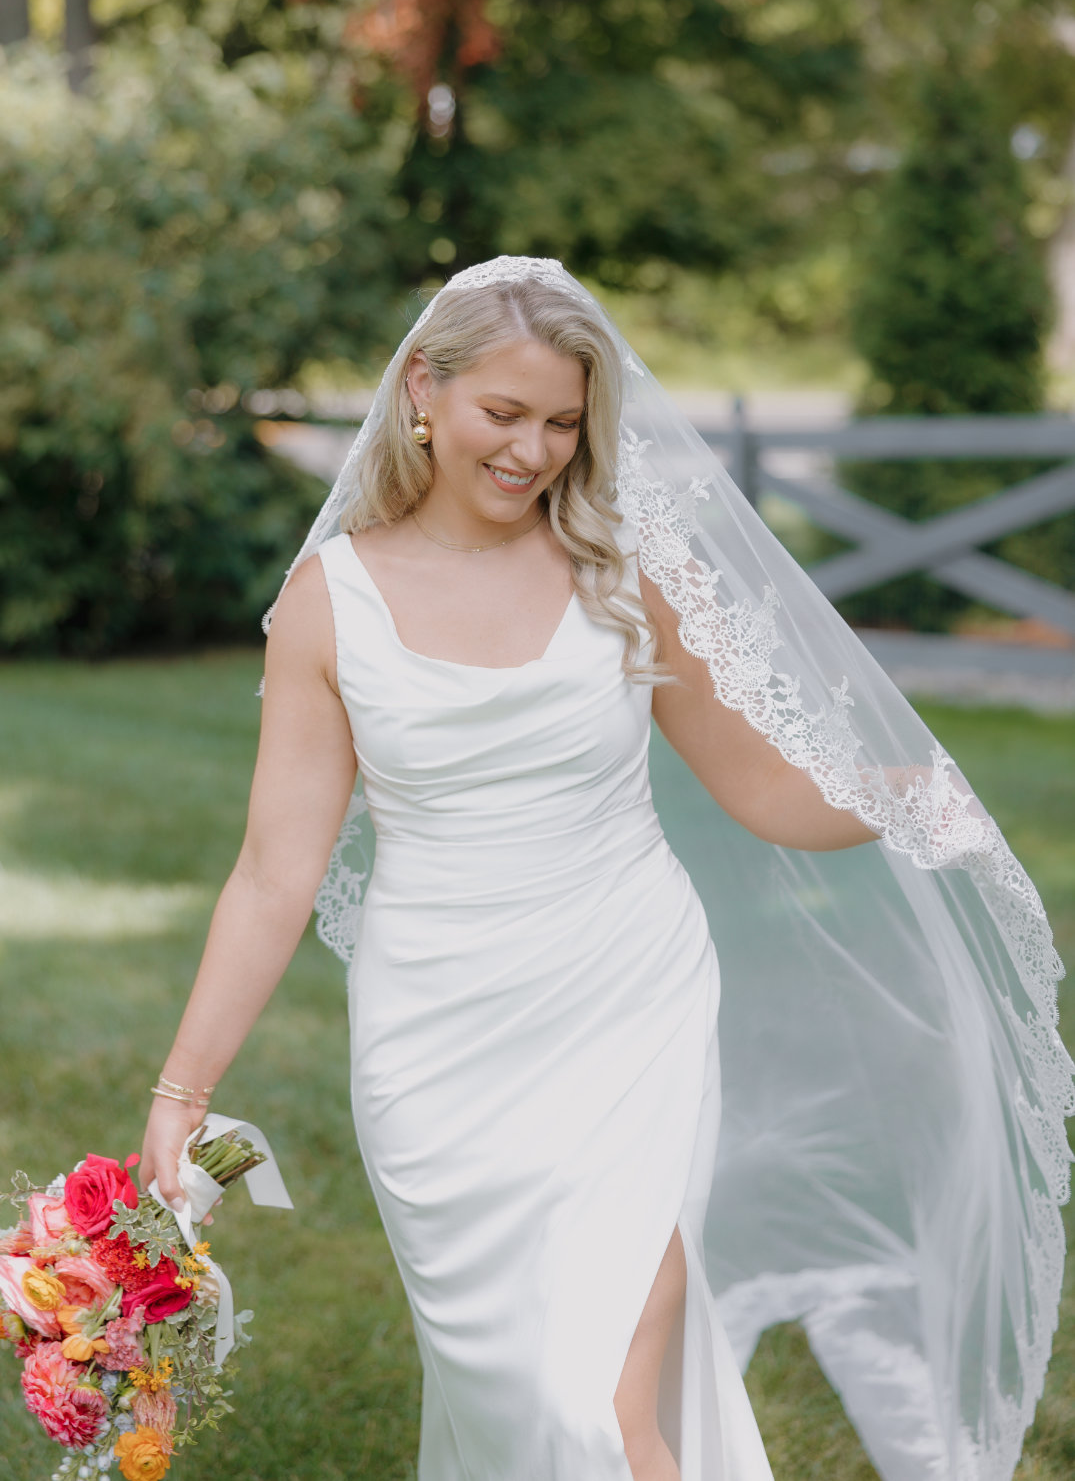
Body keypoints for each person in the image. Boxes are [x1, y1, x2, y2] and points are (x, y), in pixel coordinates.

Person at [139, 258, 1072, 1481]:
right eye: (505, 414)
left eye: (563, 423)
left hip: (629, 997)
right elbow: (274, 871)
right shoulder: (331, 604)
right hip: (436, 1042)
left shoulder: (619, 570)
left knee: (605, 1405)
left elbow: (761, 785)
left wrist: (917, 797)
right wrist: (180, 1091)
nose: (533, 450)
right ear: (424, 388)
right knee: (522, 1400)